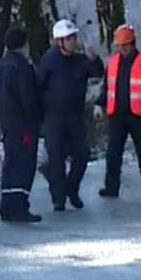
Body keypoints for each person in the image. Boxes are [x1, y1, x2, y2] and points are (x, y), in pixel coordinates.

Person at [36, 19, 105, 211]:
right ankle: (58, 198)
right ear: (59, 41)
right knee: (56, 158)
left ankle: (71, 189)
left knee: (82, 155)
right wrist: (41, 115)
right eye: (69, 38)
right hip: (54, 118)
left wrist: (94, 59)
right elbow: (38, 88)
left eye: (74, 37)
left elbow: (99, 72)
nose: (73, 41)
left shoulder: (80, 60)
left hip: (75, 116)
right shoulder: (48, 61)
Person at [94, 24, 141, 199]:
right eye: (119, 46)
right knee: (113, 152)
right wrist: (99, 104)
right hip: (117, 114)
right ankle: (111, 187)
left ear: (133, 43)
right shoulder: (113, 63)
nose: (122, 49)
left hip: (138, 114)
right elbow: (107, 87)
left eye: (125, 45)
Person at [0, 28, 43, 223]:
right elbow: (27, 97)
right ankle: (20, 206)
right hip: (24, 124)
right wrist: (37, 116)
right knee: (24, 164)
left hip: (7, 122)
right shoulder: (22, 67)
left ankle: (6, 206)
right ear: (23, 44)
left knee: (10, 163)